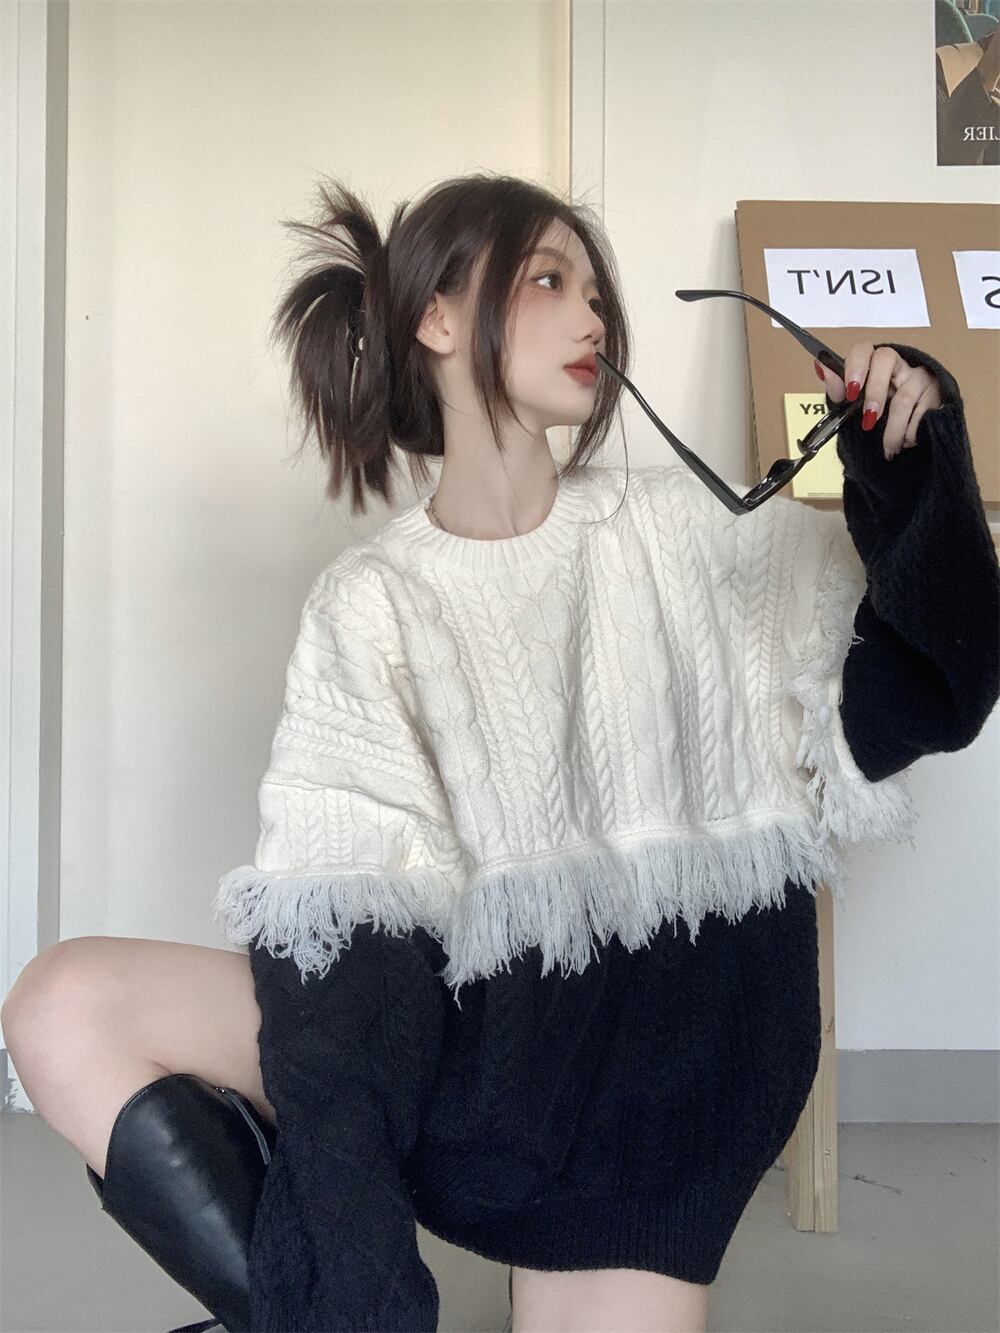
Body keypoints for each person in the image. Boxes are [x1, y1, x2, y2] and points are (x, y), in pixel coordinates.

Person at [2, 171, 997, 1333]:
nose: (591, 316)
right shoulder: (373, 604)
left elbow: (936, 691)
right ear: (435, 316)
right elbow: (354, 949)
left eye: (596, 291)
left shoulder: (697, 537)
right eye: (546, 280)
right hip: (475, 1079)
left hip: (662, 1118)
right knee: (66, 1005)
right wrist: (348, 1286)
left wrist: (908, 465)